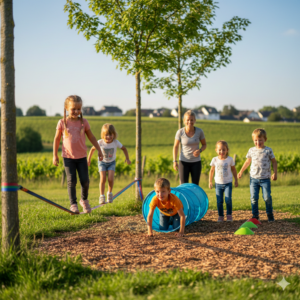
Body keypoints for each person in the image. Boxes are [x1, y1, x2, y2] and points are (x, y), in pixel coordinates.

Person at [53, 95, 103, 213]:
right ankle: (73, 204)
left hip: (82, 157)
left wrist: (99, 150)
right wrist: (55, 155)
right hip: (68, 157)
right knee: (71, 181)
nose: (76, 111)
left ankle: (84, 200)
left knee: (85, 181)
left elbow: (91, 136)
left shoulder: (83, 122)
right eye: (73, 109)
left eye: (79, 109)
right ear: (66, 108)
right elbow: (56, 139)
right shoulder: (62, 122)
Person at [238, 128, 277, 222]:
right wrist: (241, 171)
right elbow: (247, 162)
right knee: (254, 198)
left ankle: (269, 214)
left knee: (267, 197)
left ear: (265, 140)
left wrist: (275, 173)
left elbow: (274, 162)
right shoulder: (251, 150)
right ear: (253, 140)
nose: (258, 142)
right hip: (253, 179)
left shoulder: (268, 150)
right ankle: (255, 216)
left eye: (260, 140)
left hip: (265, 179)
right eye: (256, 140)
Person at [87, 123, 131, 204]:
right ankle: (102, 196)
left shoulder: (116, 142)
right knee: (103, 178)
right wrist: (88, 160)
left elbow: (124, 148)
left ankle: (110, 193)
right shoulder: (100, 142)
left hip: (111, 163)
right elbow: (92, 149)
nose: (109, 137)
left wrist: (127, 158)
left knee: (110, 179)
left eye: (111, 134)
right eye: (106, 135)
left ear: (114, 135)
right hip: (102, 162)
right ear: (103, 135)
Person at [173, 110, 206, 185]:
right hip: (183, 162)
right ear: (184, 121)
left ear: (195, 120)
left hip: (196, 162)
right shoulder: (180, 132)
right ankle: (183, 197)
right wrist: (174, 161)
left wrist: (200, 150)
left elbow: (204, 145)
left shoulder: (199, 131)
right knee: (183, 185)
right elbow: (175, 146)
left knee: (195, 185)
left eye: (192, 120)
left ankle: (194, 197)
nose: (190, 122)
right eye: (188, 120)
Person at [209, 140, 238, 222]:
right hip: (218, 184)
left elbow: (234, 170)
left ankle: (229, 215)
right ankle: (220, 216)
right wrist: (210, 181)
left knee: (228, 199)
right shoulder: (214, 159)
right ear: (216, 150)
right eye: (220, 150)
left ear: (227, 150)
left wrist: (236, 180)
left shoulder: (230, 159)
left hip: (228, 183)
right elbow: (211, 171)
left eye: (224, 150)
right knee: (219, 201)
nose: (222, 151)